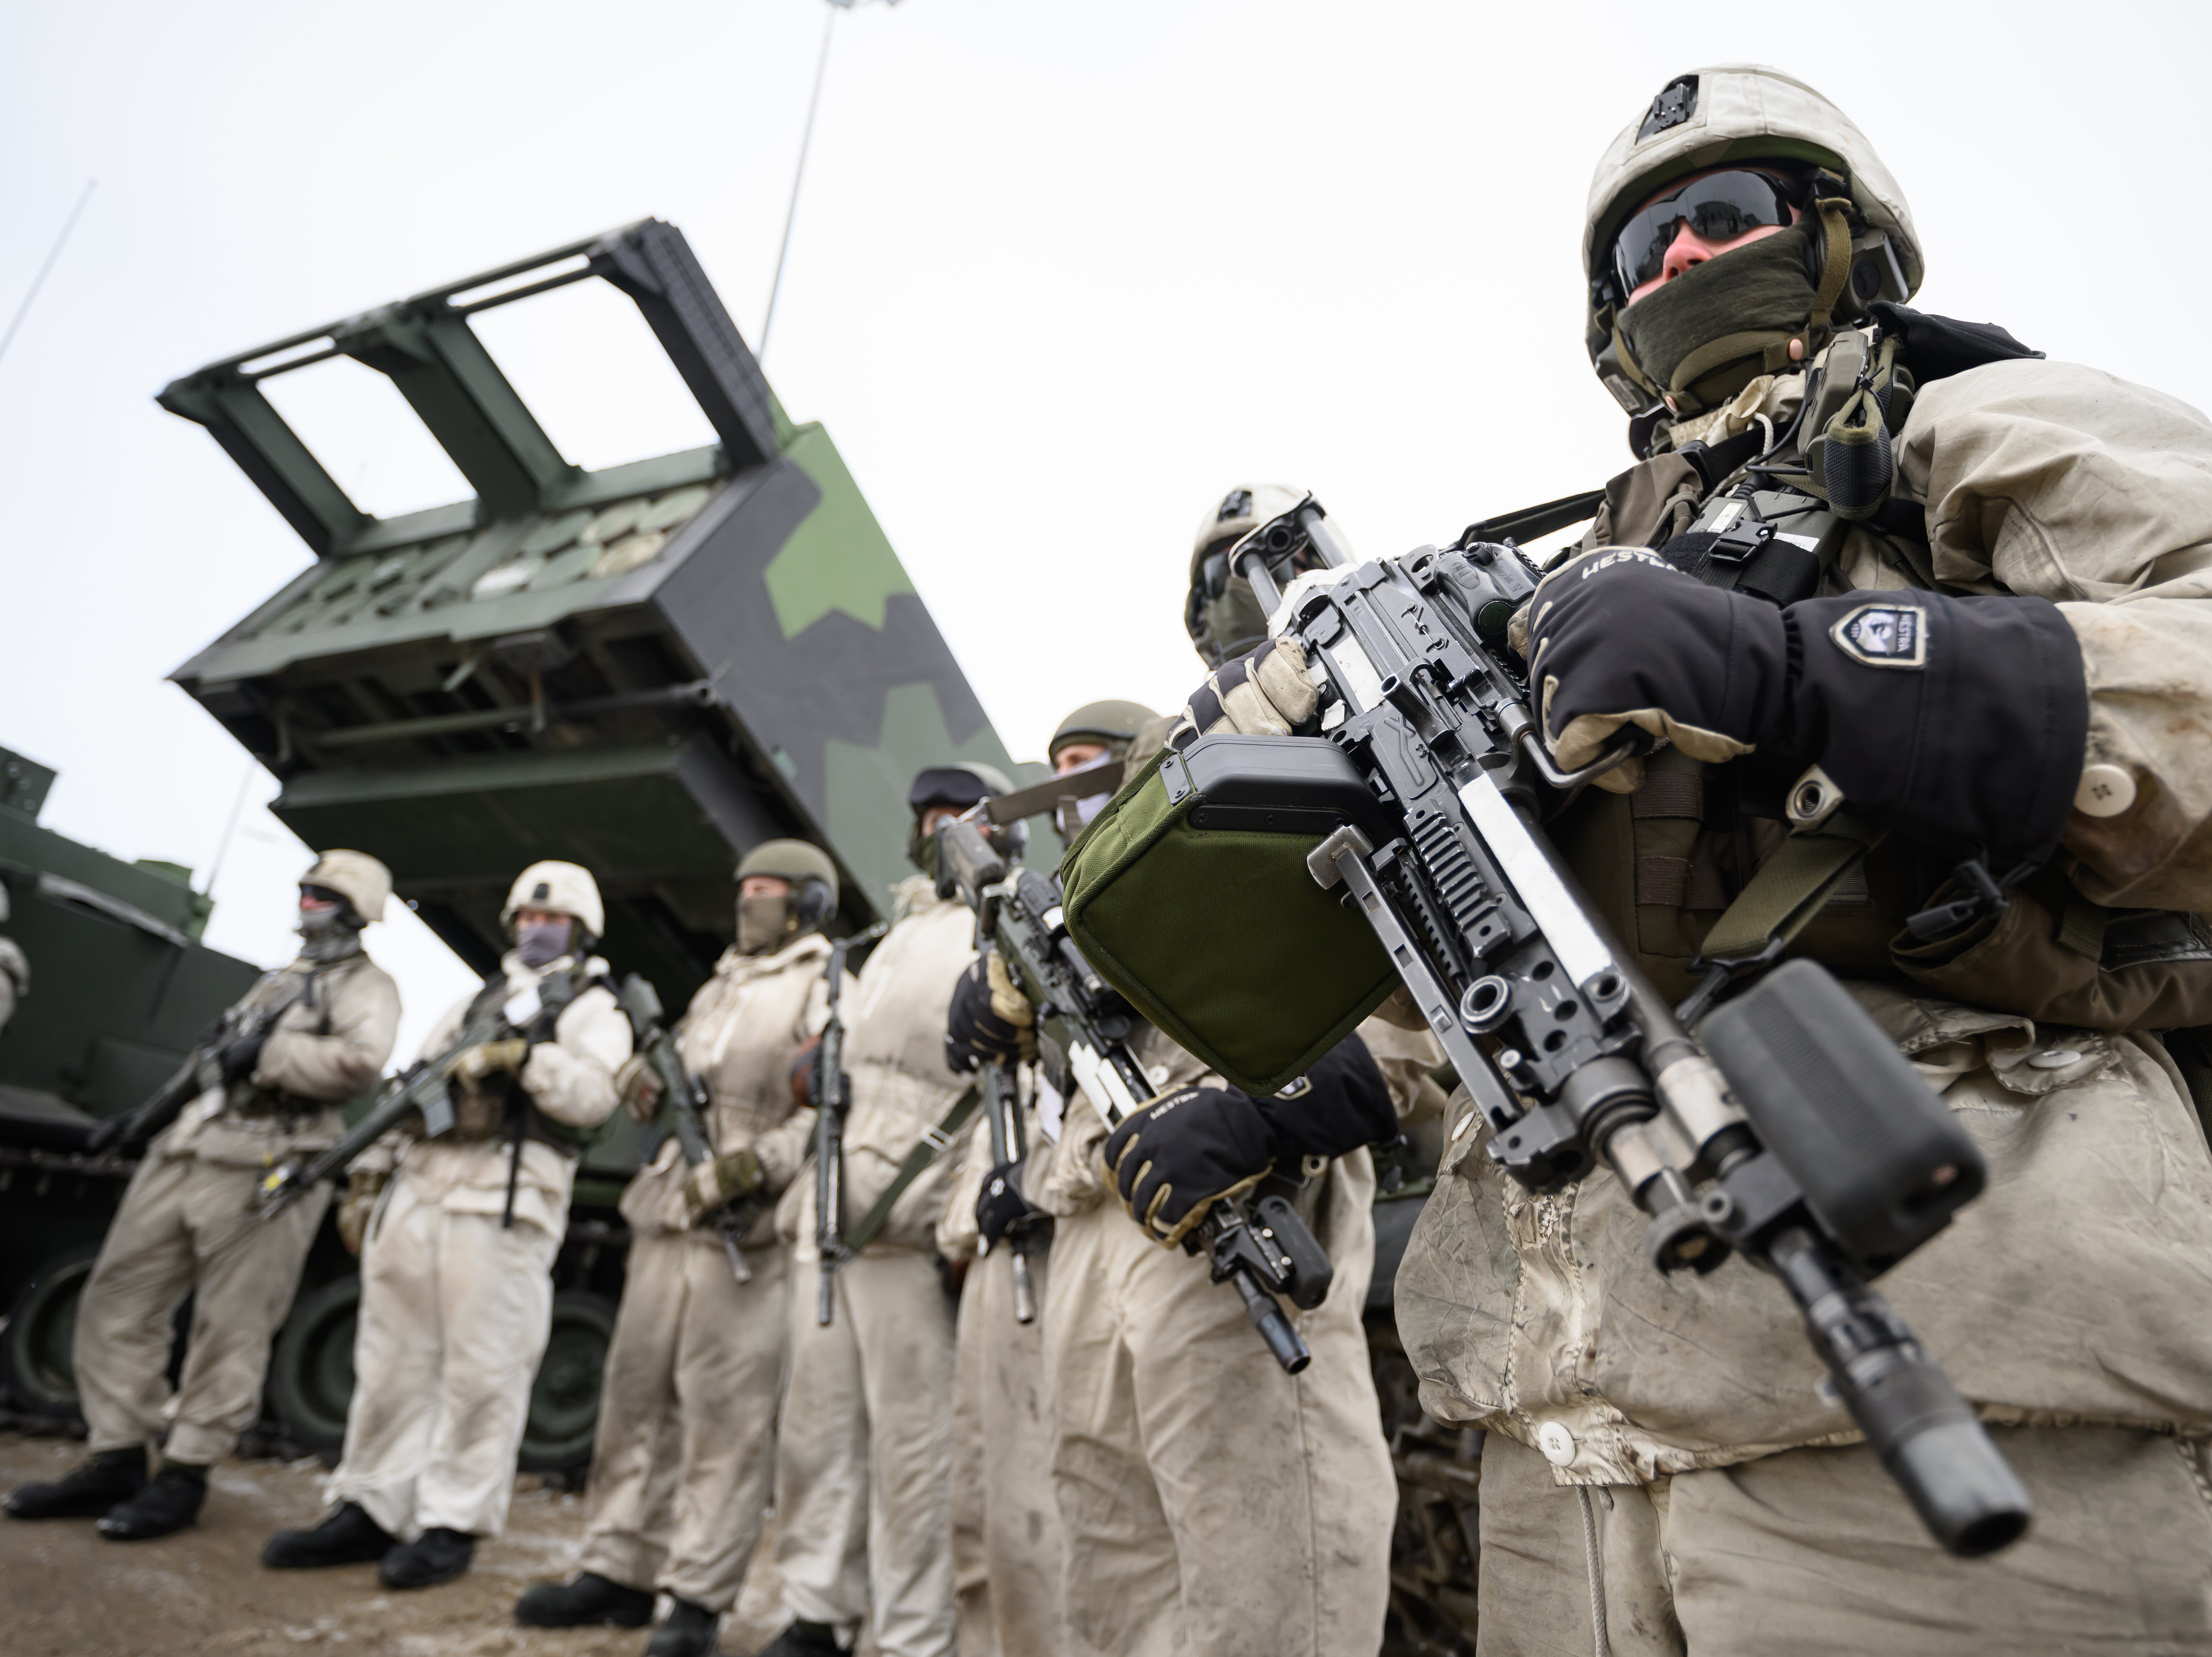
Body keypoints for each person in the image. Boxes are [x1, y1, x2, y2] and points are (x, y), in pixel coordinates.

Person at [1184, 68, 2212, 1654]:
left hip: (1947, 1345)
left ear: (1838, 244)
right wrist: (1324, 1087)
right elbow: (1507, 921)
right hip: (1565, 1437)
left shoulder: (1975, 425)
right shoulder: (1570, 581)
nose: (1676, 263)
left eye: (1718, 219)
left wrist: (1820, 669)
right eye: (1639, 249)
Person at [949, 492, 1446, 1657]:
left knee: (1267, 1569)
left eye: (1267, 559)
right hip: (1097, 1210)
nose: (1243, 588)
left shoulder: (1382, 729)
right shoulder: (1161, 773)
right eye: (1219, 569)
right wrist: (1009, 992)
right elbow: (1079, 954)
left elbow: (1427, 980)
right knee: (1110, 1559)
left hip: (1243, 1208)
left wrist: (1267, 1107)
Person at [4, 852, 399, 1540]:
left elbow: (363, 1063)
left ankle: (186, 1471)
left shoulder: (367, 986)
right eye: (305, 890)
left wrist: (273, 1057)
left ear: (357, 909)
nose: (308, 902)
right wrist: (144, 1121)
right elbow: (211, 1063)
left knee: (232, 1326)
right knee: (118, 1298)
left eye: (324, 894)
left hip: (268, 1158)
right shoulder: (280, 983)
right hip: (190, 1147)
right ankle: (117, 1452)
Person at [262, 860, 630, 1590]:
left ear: (580, 930)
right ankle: (370, 1502)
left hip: (503, 1195)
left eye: (550, 920)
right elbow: (415, 1088)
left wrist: (529, 1059)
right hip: (424, 1188)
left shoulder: (595, 1006)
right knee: (391, 1359)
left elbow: (593, 1097)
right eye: (525, 918)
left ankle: (452, 1520)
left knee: (483, 1370)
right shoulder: (478, 999)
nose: (535, 929)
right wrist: (372, 1174)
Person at [515, 840, 837, 1657]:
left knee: (726, 1415)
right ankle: (617, 1564)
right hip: (669, 1212)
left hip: (749, 1226)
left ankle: (696, 1594)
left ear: (807, 900)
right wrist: (643, 1085)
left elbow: (828, 1104)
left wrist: (754, 1164)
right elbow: (672, 1074)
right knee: (635, 1394)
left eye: (767, 890)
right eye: (744, 888)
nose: (749, 901)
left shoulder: (825, 981)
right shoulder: (719, 983)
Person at [755, 764, 1015, 1657]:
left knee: (918, 1455)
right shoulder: (900, 930)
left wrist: (963, 1229)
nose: (941, 831)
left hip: (913, 1230)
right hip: (829, 1224)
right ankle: (820, 1609)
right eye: (931, 818)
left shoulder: (1007, 923)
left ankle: (912, 1633)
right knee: (818, 1436)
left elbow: (1001, 1087)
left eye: (961, 816)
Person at [935, 699, 1156, 1657]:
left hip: (1125, 1214)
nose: (1072, 787)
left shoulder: (1159, 880)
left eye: (1091, 765)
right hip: (1054, 1217)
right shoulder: (1045, 902)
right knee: (1018, 1489)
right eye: (1057, 764)